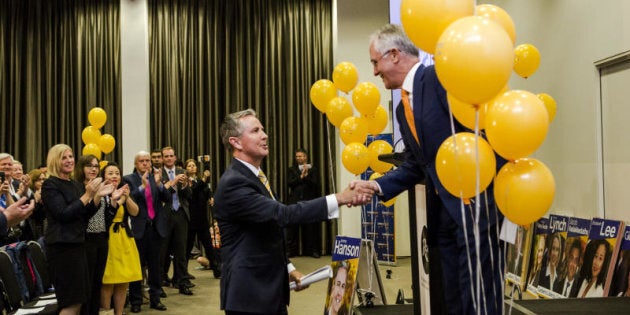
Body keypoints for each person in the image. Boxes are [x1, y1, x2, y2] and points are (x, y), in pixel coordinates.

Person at [351, 24, 505, 314]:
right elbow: (415, 164)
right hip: (444, 216)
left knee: (479, 295)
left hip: (474, 209)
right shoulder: (401, 108)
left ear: (394, 55)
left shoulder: (438, 80)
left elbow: (481, 131)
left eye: (375, 62)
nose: (374, 72)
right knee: (454, 296)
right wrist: (376, 186)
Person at [214, 109, 371, 315]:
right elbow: (283, 215)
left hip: (268, 291)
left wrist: (288, 269)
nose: (264, 135)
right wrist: (340, 198)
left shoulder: (255, 175)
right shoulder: (235, 182)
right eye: (255, 131)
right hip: (250, 295)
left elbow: (267, 230)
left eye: (262, 129)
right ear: (235, 142)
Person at [41, 144, 113, 315]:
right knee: (71, 301)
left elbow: (85, 215)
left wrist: (98, 196)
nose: (69, 160)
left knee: (80, 299)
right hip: (62, 248)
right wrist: (88, 194)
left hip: (78, 245)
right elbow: (63, 214)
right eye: (64, 157)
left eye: (71, 156)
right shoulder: (50, 185)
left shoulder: (74, 185)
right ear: (54, 161)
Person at [123, 151, 171, 312]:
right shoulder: (129, 179)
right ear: (136, 164)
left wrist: (158, 185)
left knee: (155, 266)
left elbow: (167, 198)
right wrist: (143, 187)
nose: (145, 163)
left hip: (156, 228)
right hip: (139, 229)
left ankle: (155, 299)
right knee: (137, 267)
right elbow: (131, 199)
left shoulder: (155, 177)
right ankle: (136, 300)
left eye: (147, 161)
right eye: (142, 161)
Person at [99, 162, 142, 315]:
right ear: (103, 176)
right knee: (108, 281)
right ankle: (106, 312)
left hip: (124, 238)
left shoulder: (123, 190)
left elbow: (135, 212)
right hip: (108, 238)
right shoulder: (100, 193)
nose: (115, 176)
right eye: (110, 173)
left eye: (117, 173)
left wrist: (127, 196)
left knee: (123, 281)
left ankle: (119, 312)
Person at [75, 154, 108, 315]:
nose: (93, 169)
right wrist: (93, 194)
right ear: (81, 168)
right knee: (86, 283)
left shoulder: (101, 186)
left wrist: (114, 202)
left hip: (101, 238)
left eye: (96, 166)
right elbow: (80, 214)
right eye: (89, 166)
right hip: (85, 239)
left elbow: (105, 216)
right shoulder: (77, 188)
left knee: (97, 282)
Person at [159, 146, 193, 295]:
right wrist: (172, 183)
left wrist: (185, 185)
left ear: (175, 157)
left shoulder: (181, 172)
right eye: (166, 156)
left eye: (171, 156)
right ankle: (159, 284)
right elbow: (160, 195)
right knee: (162, 252)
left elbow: (188, 195)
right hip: (166, 215)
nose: (169, 158)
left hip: (180, 214)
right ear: (162, 158)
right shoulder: (158, 174)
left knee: (181, 252)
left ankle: (182, 282)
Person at [184, 159, 220, 278]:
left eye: (194, 165)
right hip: (190, 219)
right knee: (187, 247)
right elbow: (193, 191)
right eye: (189, 166)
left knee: (209, 245)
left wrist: (210, 197)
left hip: (202, 218)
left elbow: (206, 190)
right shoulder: (186, 182)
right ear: (186, 169)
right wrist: (204, 179)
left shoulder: (200, 181)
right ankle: (183, 272)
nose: (192, 167)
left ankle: (216, 269)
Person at [286, 148, 321, 258]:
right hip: (294, 201)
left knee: (311, 227)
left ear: (306, 157)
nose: (299, 158)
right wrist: (301, 177)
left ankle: (312, 250)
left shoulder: (313, 169)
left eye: (301, 156)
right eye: (297, 156)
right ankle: (291, 251)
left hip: (310, 201)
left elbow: (315, 184)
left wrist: (306, 177)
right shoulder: (291, 169)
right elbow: (289, 183)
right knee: (293, 228)